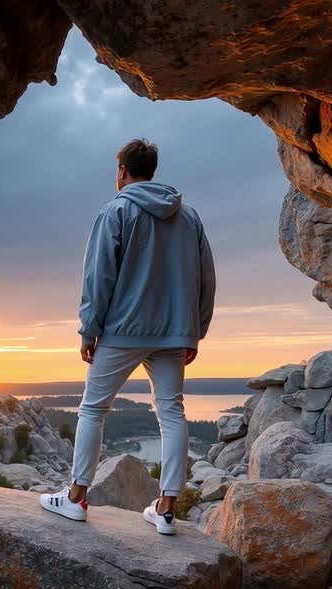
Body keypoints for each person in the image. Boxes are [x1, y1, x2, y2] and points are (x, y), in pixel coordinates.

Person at [40, 139, 216, 535]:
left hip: (123, 329)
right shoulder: (189, 217)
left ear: (122, 170)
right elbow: (206, 278)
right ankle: (167, 509)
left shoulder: (115, 211)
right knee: (172, 413)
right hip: (173, 332)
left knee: (92, 410)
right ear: (151, 170)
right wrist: (194, 331)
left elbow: (99, 275)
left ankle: (74, 499)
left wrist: (90, 328)